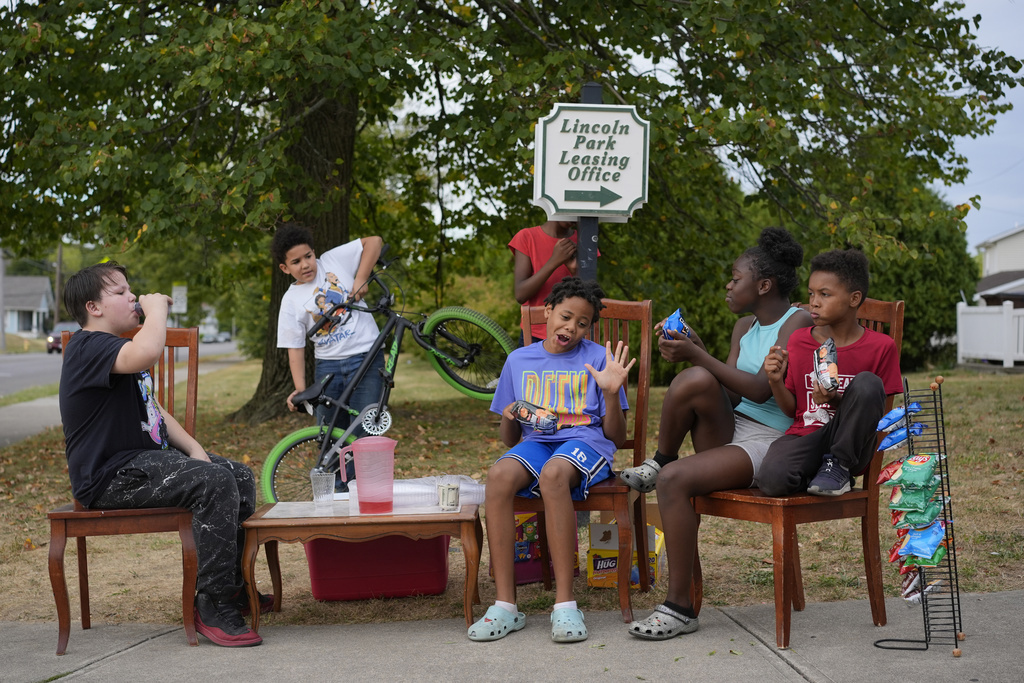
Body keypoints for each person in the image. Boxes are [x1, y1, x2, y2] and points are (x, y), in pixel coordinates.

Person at [59, 262, 267, 648]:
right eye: (120, 292)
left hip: (141, 465)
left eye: (130, 288)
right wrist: (157, 312)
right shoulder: (87, 347)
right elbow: (149, 352)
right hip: (109, 477)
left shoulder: (117, 349)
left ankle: (233, 588)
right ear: (94, 307)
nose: (133, 296)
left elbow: (151, 406)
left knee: (236, 475)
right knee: (215, 481)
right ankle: (211, 604)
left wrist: (194, 449)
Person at [624, 227, 812, 640]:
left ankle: (679, 608)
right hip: (735, 426)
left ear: (764, 285)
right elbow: (727, 388)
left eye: (735, 278)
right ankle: (663, 458)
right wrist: (697, 348)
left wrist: (698, 353)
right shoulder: (744, 326)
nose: (728, 286)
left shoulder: (797, 321)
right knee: (693, 378)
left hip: (771, 441)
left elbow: (763, 388)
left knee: (674, 483)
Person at [469, 277, 634, 644]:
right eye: (565, 316)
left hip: (586, 441)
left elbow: (617, 437)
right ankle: (505, 607)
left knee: (554, 474)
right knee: (498, 476)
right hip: (537, 441)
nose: (571, 328)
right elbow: (509, 440)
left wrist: (610, 394)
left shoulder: (597, 359)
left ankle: (565, 605)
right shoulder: (519, 360)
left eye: (582, 323)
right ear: (547, 312)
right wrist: (509, 416)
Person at [757, 248, 902, 497]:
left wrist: (835, 399)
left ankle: (838, 467)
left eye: (825, 294)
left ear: (854, 299)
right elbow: (793, 410)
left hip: (852, 446)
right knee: (770, 480)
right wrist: (775, 381)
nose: (814, 302)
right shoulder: (799, 341)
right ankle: (820, 474)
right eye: (812, 293)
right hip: (807, 436)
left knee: (868, 383)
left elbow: (878, 413)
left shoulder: (880, 347)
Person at [272, 223, 384, 438]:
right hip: (328, 370)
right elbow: (295, 347)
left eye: (308, 256)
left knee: (366, 431)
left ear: (314, 253)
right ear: (285, 268)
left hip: (367, 358)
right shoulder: (289, 301)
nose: (305, 265)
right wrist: (301, 389)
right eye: (296, 262)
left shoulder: (333, 260)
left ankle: (362, 473)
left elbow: (374, 241)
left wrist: (360, 278)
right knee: (329, 435)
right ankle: (336, 473)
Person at [509, 219, 580, 344]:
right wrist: (554, 261)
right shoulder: (527, 237)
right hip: (535, 335)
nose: (574, 217)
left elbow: (591, 295)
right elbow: (520, 294)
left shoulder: (584, 239)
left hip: (573, 333)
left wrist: (574, 271)